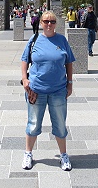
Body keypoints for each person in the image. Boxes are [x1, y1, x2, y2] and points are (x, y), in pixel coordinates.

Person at [21, 10, 75, 171]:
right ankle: (28, 153)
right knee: (33, 123)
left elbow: (69, 62)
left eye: (52, 21)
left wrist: (70, 82)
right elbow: (24, 60)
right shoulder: (34, 39)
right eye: (46, 21)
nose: (49, 24)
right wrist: (25, 79)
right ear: (41, 23)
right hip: (36, 89)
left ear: (56, 23)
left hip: (58, 90)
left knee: (60, 124)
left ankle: (64, 155)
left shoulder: (62, 40)